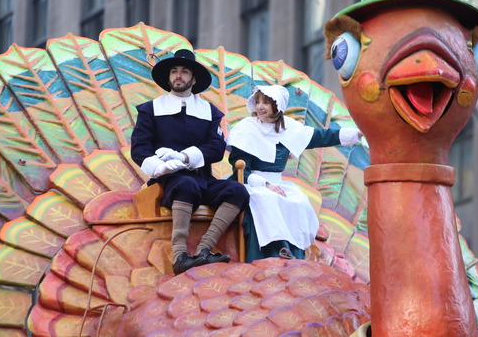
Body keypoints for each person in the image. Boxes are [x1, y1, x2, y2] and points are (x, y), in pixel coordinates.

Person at [130, 49, 249, 275]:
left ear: (193, 79)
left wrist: (184, 157)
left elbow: (216, 148)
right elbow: (140, 148)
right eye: (174, 71)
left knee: (237, 190)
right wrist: (159, 167)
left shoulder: (210, 111)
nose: (178, 75)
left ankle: (205, 249)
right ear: (168, 77)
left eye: (184, 72)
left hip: (203, 180)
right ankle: (179, 256)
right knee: (186, 184)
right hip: (169, 183)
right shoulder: (150, 110)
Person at [227, 85, 363, 261]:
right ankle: (273, 252)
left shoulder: (289, 128)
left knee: (299, 201)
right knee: (268, 199)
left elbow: (322, 136)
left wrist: (357, 133)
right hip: (252, 183)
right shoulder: (246, 129)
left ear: (277, 106)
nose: (260, 106)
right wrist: (266, 185)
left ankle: (295, 253)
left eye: (266, 103)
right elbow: (241, 170)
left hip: (279, 183)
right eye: (258, 101)